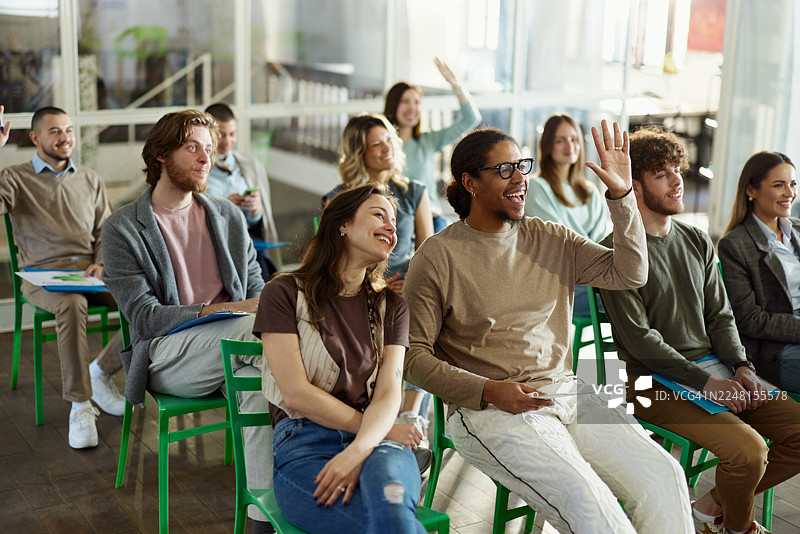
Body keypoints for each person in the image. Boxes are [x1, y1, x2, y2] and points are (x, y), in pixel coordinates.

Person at [403, 121, 693, 533]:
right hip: (489, 408)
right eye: (505, 170)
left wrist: (621, 195)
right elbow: (413, 358)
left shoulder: (550, 237)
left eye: (522, 165)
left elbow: (630, 273)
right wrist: (488, 390)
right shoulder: (437, 256)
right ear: (470, 182)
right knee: (591, 503)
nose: (521, 179)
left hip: (567, 389)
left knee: (665, 476)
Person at [599, 126, 800, 534]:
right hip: (647, 382)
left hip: (716, 368)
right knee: (749, 451)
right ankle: (739, 528)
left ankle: (710, 509)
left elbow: (721, 316)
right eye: (662, 174)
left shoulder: (696, 239)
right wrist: (705, 383)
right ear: (634, 188)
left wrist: (741, 368)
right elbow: (640, 340)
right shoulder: (613, 252)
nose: (677, 180)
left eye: (678, 169)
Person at [101, 109, 275, 534]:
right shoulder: (123, 227)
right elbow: (144, 316)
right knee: (260, 336)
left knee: (259, 382)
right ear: (161, 155)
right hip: (167, 356)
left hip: (237, 349)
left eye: (210, 150)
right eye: (192, 148)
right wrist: (216, 312)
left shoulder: (229, 217)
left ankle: (262, 520)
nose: (205, 159)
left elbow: (258, 292)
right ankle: (337, 453)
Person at [254, 183, 426, 533]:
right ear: (342, 225)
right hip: (305, 443)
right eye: (379, 215)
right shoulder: (283, 293)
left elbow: (390, 393)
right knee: (387, 523)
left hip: (378, 442)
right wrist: (375, 433)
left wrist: (359, 448)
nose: (392, 227)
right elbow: (295, 393)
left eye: (394, 221)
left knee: (391, 519)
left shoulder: (392, 306)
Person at [0, 106, 124, 449]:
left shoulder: (90, 178)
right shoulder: (14, 178)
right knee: (71, 304)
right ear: (35, 137)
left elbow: (106, 232)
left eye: (68, 130)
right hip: (41, 276)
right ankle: (80, 405)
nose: (65, 137)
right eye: (55, 131)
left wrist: (101, 261)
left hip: (88, 272)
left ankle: (101, 371)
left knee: (143, 295)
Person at [323, 113, 433, 292]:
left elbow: (428, 259)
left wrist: (412, 284)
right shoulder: (338, 198)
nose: (387, 148)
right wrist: (373, 284)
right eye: (376, 144)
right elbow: (329, 258)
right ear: (359, 152)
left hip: (405, 285)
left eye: (389, 139)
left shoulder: (414, 192)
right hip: (354, 286)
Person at [719, 152, 800, 393]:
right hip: (777, 351)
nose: (789, 193)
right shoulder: (735, 245)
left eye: (793, 184)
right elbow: (749, 318)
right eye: (779, 185)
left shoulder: (797, 229)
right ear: (751, 190)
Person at [384, 57, 481, 233]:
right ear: (393, 104)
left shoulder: (427, 141)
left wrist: (455, 85)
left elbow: (471, 119)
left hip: (431, 217)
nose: (412, 108)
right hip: (394, 220)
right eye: (405, 102)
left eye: (417, 102)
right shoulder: (383, 146)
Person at [526, 113, 610, 316]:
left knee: (641, 293)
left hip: (596, 277)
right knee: (634, 302)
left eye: (574, 139)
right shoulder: (537, 187)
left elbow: (605, 241)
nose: (569, 146)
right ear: (548, 145)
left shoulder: (590, 191)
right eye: (560, 140)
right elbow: (560, 243)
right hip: (562, 284)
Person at [204, 102, 280, 279]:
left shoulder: (251, 166)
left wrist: (255, 211)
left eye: (232, 134)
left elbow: (259, 224)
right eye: (221, 135)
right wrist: (224, 208)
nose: (228, 141)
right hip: (214, 251)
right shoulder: (197, 171)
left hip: (251, 247)